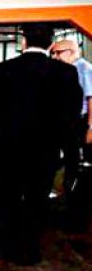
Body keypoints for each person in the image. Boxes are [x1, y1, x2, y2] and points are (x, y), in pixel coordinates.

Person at [0, 24, 81, 264]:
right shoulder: (66, 73)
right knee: (37, 199)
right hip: (45, 149)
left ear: (23, 42)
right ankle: (30, 249)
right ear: (50, 44)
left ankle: (5, 248)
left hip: (6, 148)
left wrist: (2, 131)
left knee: (7, 199)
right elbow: (71, 113)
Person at [49, 39, 92, 224]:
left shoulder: (84, 69)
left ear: (71, 52)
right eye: (53, 53)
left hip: (81, 123)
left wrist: (91, 127)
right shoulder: (66, 72)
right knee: (68, 162)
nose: (55, 57)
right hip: (69, 123)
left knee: (76, 165)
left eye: (58, 53)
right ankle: (67, 201)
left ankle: (76, 208)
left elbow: (91, 99)